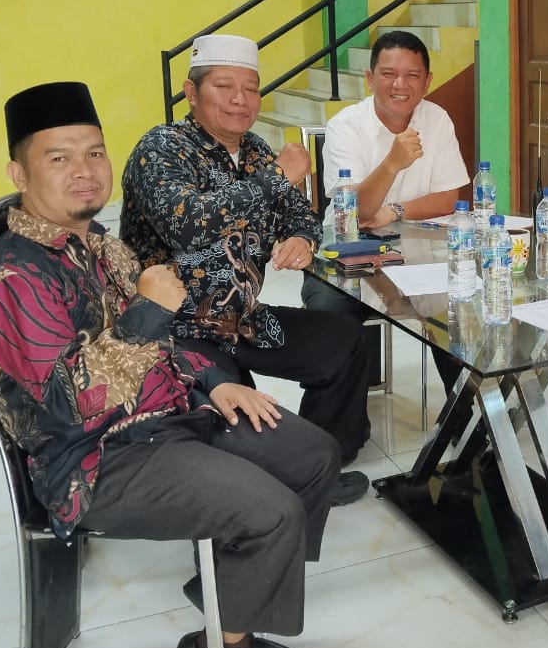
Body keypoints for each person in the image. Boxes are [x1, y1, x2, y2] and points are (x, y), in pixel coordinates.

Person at [0, 82, 344, 648]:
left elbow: (168, 341)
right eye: (59, 157)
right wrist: (146, 313)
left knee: (313, 454)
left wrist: (213, 383)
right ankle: (225, 645)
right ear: (20, 173)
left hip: (168, 415)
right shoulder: (17, 278)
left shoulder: (103, 248)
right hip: (95, 458)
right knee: (271, 510)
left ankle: (236, 583)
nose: (84, 170)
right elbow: (62, 410)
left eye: (94, 153)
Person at [120, 34, 372, 489]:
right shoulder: (161, 148)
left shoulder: (255, 150)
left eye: (251, 88)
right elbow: (188, 224)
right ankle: (284, 472)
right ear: (191, 92)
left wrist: (302, 238)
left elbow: (302, 216)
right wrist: (277, 177)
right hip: (179, 334)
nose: (241, 99)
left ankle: (326, 461)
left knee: (346, 341)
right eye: (224, 86)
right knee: (246, 432)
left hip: (244, 321)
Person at [301, 30, 470, 397]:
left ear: (427, 81)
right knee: (330, 312)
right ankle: (337, 422)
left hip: (418, 253)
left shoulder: (436, 119)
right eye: (389, 74)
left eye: (412, 75)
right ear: (369, 78)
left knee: (462, 307)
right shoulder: (345, 125)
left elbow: (448, 198)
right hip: (345, 254)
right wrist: (392, 163)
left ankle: (468, 417)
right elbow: (356, 212)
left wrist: (395, 210)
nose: (400, 85)